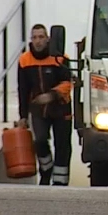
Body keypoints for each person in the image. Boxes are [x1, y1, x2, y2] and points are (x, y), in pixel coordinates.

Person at [17, 24, 74, 186]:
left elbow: (68, 82)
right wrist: (22, 116)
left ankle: (61, 181)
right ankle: (46, 170)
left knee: (62, 145)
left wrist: (51, 95)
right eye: (34, 37)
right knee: (40, 141)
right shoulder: (24, 60)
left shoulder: (60, 58)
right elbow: (23, 89)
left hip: (61, 109)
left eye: (41, 37)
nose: (38, 41)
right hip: (38, 110)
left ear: (48, 39)